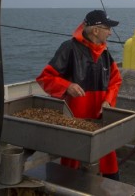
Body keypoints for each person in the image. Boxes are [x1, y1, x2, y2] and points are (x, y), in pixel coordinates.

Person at [36, 9, 123, 180]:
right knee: (72, 174)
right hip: (75, 124)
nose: (111, 32)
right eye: (108, 28)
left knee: (109, 169)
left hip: (99, 121)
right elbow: (45, 78)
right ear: (96, 30)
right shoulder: (68, 48)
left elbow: (115, 81)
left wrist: (108, 101)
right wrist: (67, 85)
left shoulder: (105, 53)